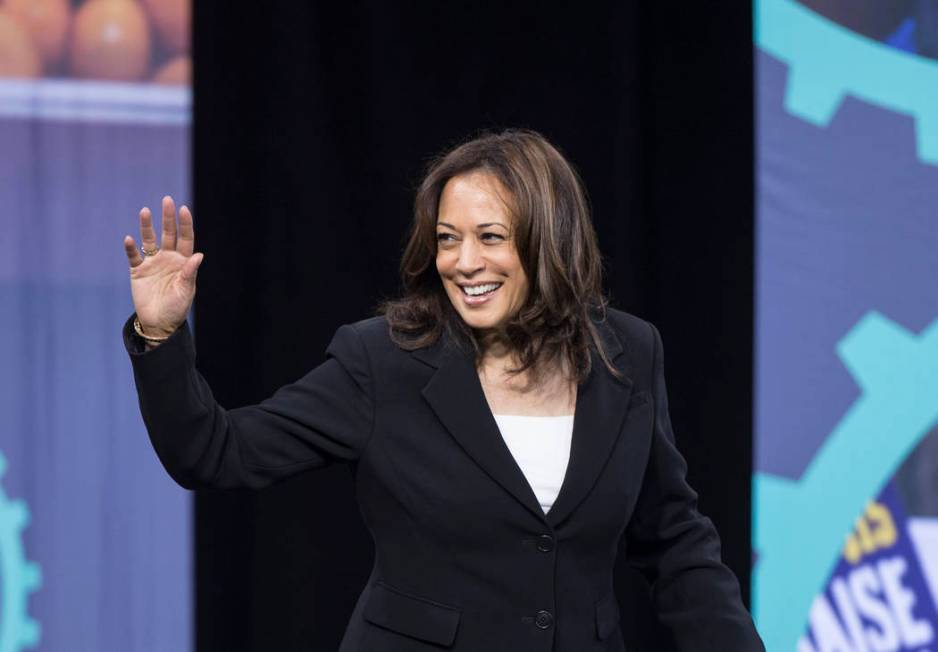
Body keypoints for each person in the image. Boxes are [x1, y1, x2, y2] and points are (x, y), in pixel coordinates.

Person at [122, 129, 765, 651]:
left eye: (490, 237)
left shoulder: (627, 353)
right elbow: (214, 453)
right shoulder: (382, 361)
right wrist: (159, 334)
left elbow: (675, 541)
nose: (462, 262)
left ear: (551, 240)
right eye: (448, 239)